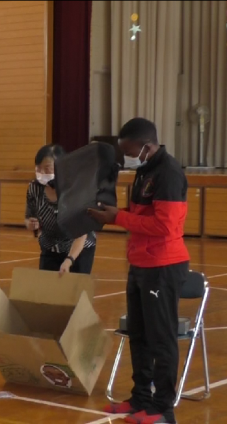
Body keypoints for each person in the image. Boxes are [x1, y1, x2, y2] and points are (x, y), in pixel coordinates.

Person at [89, 118, 189, 424]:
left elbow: (164, 225)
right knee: (139, 335)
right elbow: (139, 214)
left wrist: (118, 217)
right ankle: (140, 399)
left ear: (146, 146)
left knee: (161, 338)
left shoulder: (169, 173)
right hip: (140, 263)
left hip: (163, 266)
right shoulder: (143, 170)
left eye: (129, 151)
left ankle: (163, 409)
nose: (126, 157)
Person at [25, 144, 96, 275]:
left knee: (75, 292)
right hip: (50, 247)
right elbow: (29, 216)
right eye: (38, 169)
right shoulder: (34, 188)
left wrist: (69, 260)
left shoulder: (76, 191)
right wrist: (30, 224)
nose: (42, 173)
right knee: (47, 291)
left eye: (47, 169)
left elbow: (81, 234)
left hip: (79, 249)